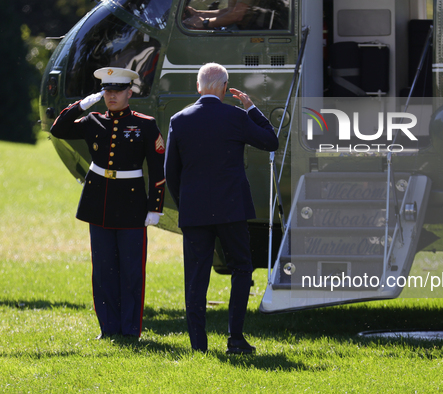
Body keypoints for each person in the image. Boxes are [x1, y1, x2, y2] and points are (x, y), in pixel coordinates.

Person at [164, 63, 278, 354]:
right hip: (231, 208)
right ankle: (236, 339)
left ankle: (198, 346)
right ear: (225, 88)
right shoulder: (236, 116)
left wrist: (185, 204)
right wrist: (252, 107)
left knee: (196, 276)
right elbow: (271, 141)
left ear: (198, 86)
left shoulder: (179, 119)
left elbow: (171, 172)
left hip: (195, 212)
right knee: (241, 268)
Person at [50, 67, 166, 339]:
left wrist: (155, 208)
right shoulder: (93, 120)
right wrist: (80, 105)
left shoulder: (145, 124)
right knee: (103, 270)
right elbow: (58, 129)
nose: (111, 97)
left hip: (131, 204)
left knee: (131, 272)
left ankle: (130, 330)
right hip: (98, 202)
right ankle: (108, 329)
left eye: (117, 91)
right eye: (107, 91)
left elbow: (158, 169)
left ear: (129, 92)